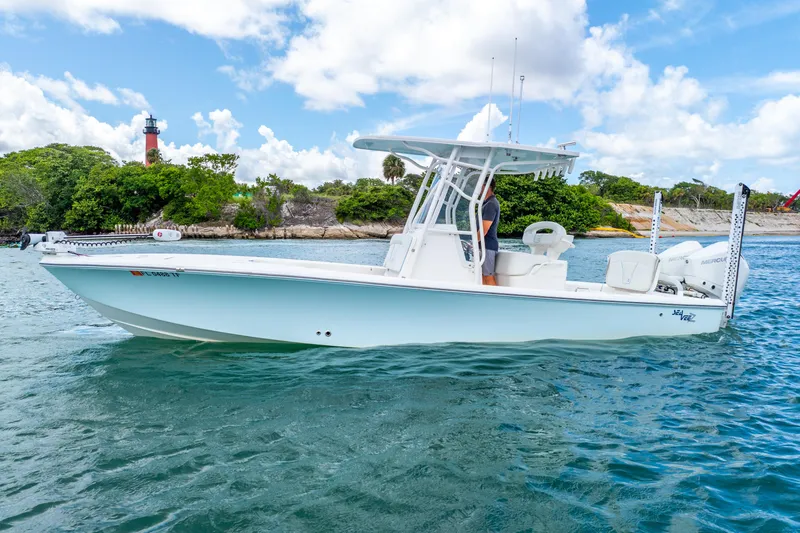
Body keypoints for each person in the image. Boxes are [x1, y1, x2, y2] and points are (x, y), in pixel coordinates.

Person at [479, 177, 500, 285]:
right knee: (482, 277)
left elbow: (484, 229)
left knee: (488, 276)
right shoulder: (485, 203)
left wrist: (473, 242)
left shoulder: (491, 204)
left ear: (487, 186)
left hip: (488, 246)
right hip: (484, 246)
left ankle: (496, 296)